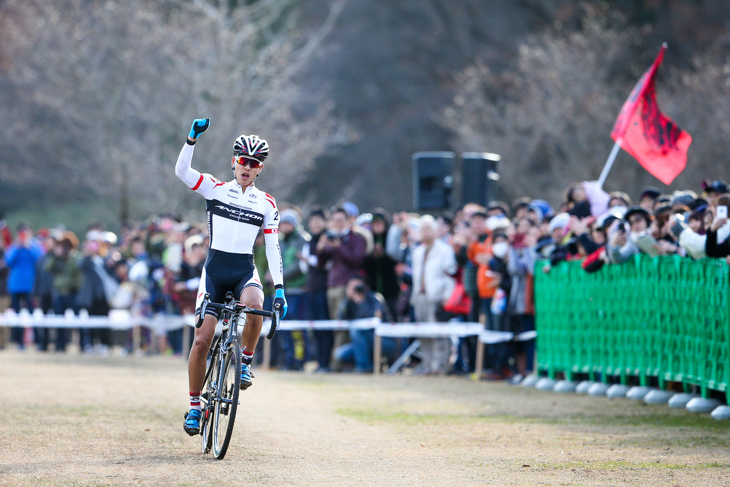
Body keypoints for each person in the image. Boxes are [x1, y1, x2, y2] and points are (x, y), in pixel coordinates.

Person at [175, 118, 287, 436]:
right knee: (201, 340)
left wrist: (279, 289)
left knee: (255, 303)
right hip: (214, 272)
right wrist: (191, 138)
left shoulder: (266, 204)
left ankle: (246, 362)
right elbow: (182, 173)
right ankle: (195, 407)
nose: (247, 167)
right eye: (242, 161)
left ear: (260, 169)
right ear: (234, 162)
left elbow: (273, 247)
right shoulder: (215, 188)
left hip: (242, 270)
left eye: (254, 163)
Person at [410, 215, 457, 374]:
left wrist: (447, 297)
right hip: (420, 297)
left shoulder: (445, 250)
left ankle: (440, 365)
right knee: (422, 332)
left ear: (435, 230)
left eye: (428, 229)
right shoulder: (418, 251)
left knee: (439, 333)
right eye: (422, 229)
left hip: (437, 297)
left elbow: (450, 276)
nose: (425, 233)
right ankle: (428, 364)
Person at [333, 276, 397, 373]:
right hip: (361, 342)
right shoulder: (349, 302)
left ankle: (364, 367)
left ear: (365, 287)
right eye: (352, 287)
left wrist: (362, 302)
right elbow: (341, 318)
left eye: (358, 287)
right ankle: (370, 364)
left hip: (383, 340)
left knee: (357, 332)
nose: (355, 290)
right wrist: (348, 301)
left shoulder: (375, 298)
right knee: (340, 353)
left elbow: (374, 319)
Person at [5, 223, 43, 349]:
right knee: (16, 314)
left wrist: (28, 247)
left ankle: (37, 341)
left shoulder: (34, 247)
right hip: (15, 285)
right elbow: (8, 261)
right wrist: (18, 247)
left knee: (32, 313)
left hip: (30, 286)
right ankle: (19, 341)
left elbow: (40, 260)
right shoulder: (14, 248)